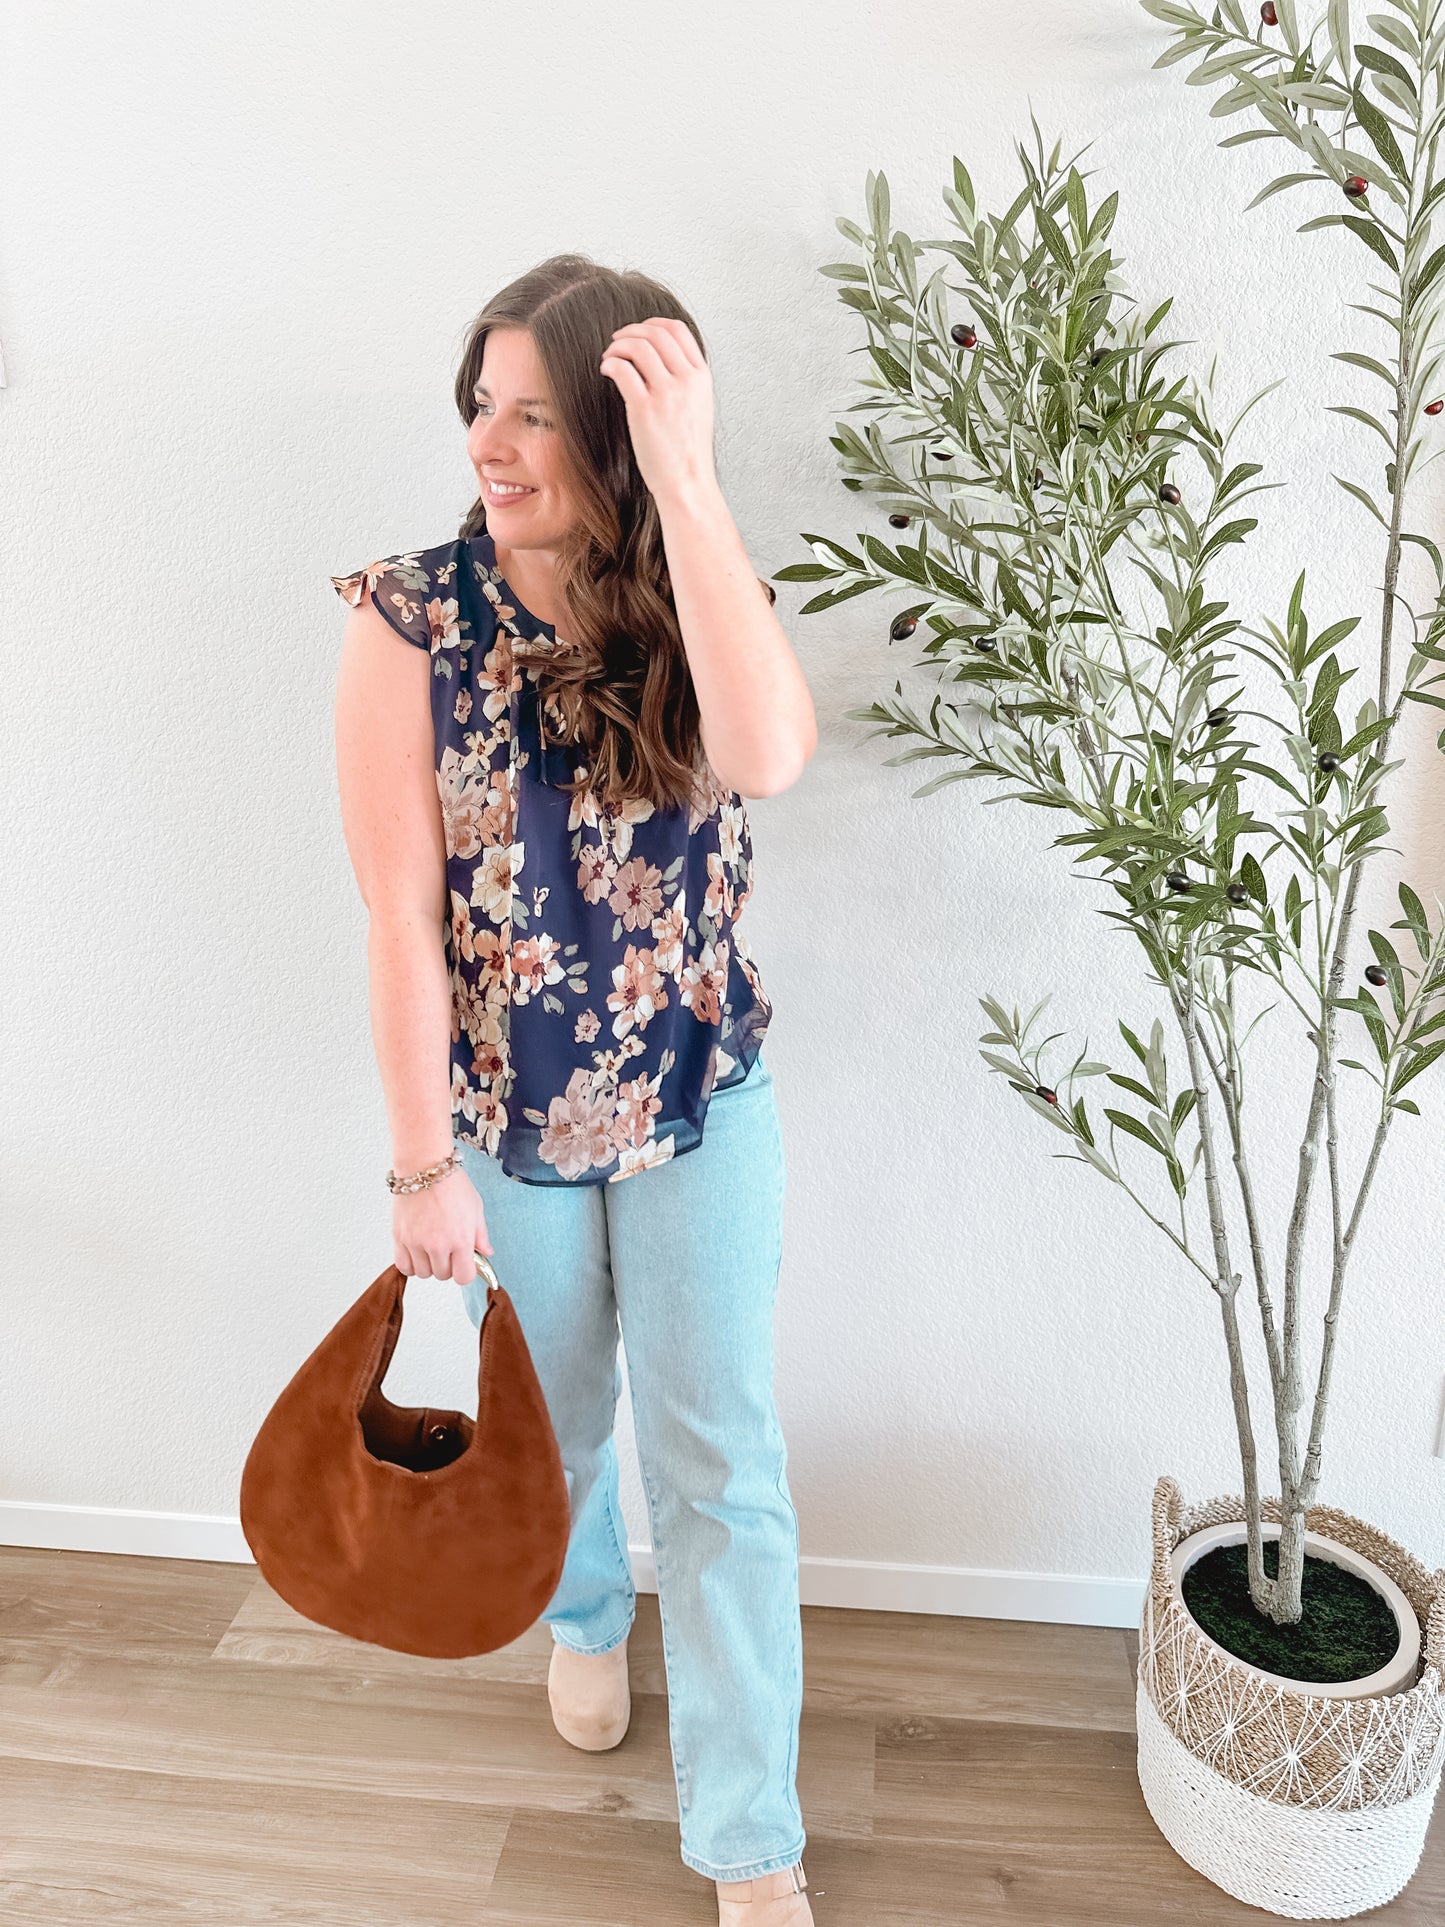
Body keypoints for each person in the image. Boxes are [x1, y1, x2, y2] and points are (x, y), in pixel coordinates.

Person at [331, 253, 819, 1925]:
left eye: (537, 412)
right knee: (566, 1429)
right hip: (506, 1125)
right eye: (481, 403)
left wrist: (687, 477)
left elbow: (763, 757)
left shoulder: (689, 579)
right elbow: (397, 910)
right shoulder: (412, 615)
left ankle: (750, 1839)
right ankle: (589, 1617)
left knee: (724, 1462)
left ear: (613, 434)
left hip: (699, 1092)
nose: (493, 440)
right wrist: (418, 1174)